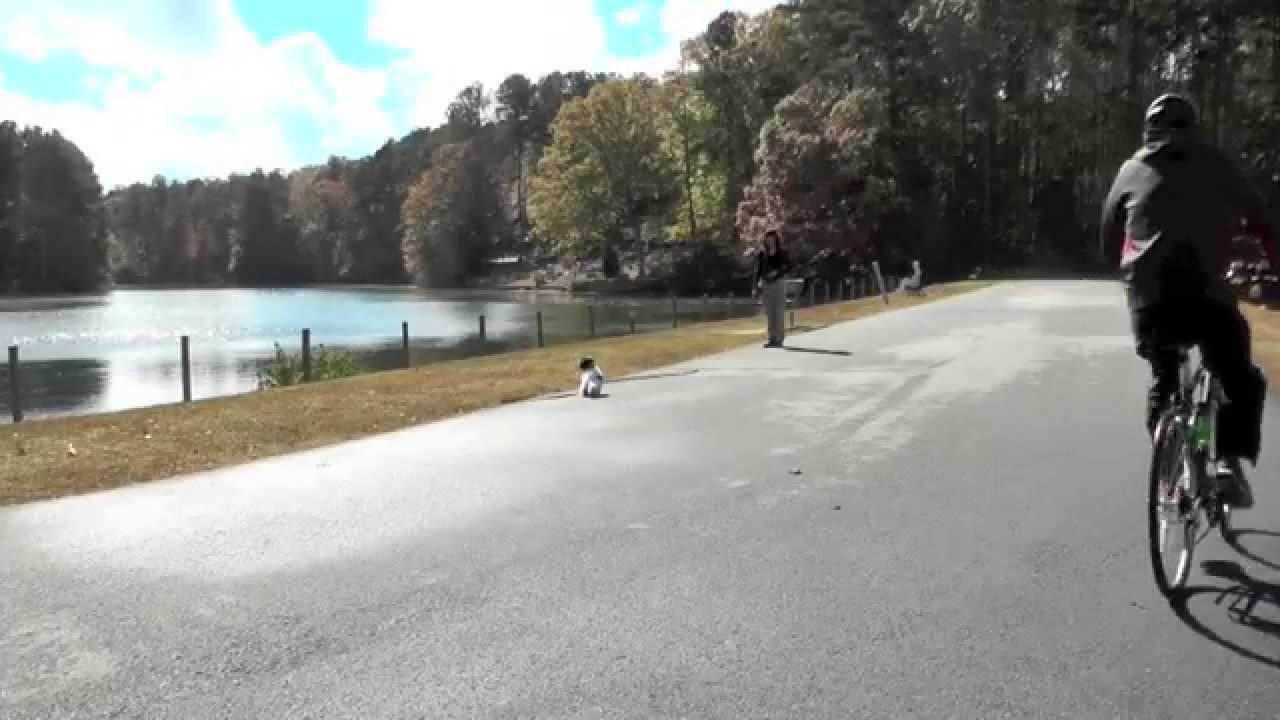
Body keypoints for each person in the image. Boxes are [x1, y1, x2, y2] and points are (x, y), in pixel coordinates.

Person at [1101, 93, 1277, 509]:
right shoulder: (1216, 164)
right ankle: (1226, 463)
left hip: (1150, 302)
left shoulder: (1131, 168)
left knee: (1166, 378)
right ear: (1192, 127)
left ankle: (1171, 463)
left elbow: (1108, 236)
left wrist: (1127, 274)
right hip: (1206, 296)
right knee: (1238, 375)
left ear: (1149, 130)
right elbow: (1262, 221)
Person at [753, 229, 792, 348]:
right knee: (769, 312)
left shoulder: (782, 253)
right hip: (766, 284)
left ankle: (779, 339)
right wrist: (755, 286)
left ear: (776, 239)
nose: (769, 241)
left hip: (778, 284)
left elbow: (789, 267)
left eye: (772, 239)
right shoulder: (762, 254)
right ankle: (772, 339)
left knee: (778, 312)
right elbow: (758, 271)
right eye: (767, 239)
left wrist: (777, 273)